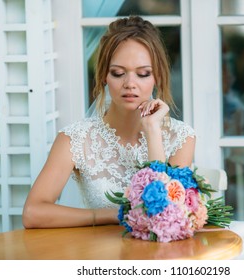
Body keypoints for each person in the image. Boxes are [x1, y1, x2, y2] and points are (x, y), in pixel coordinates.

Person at [22, 16, 196, 229]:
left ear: (157, 77)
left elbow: (164, 216)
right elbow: (33, 213)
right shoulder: (75, 139)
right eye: (118, 73)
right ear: (104, 75)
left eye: (143, 74)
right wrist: (112, 214)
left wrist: (152, 131)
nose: (130, 84)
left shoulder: (181, 137)